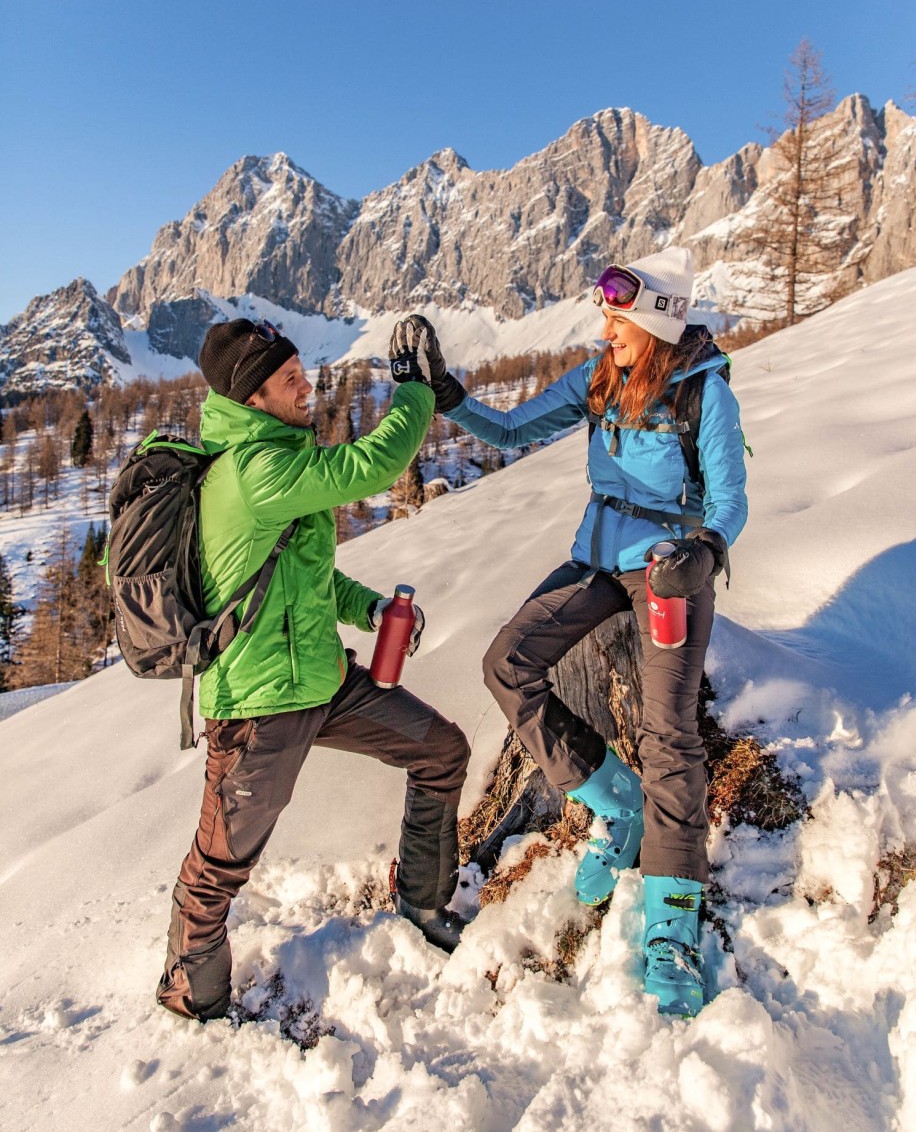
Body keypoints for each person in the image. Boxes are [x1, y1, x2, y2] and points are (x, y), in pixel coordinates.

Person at [389, 247, 747, 1017]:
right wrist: (447, 393)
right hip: (594, 560)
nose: (605, 328)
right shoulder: (599, 376)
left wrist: (706, 550)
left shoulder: (702, 392)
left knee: (670, 735)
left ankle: (673, 930)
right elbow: (513, 430)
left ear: (652, 322)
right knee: (507, 663)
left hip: (666, 569)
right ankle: (618, 806)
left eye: (617, 318)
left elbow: (730, 497)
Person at [157, 318, 471, 1023]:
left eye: (304, 372)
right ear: (254, 398)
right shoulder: (253, 469)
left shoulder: (275, 457)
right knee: (220, 864)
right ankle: (190, 994)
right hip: (260, 705)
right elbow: (373, 467)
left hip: (322, 681)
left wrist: (368, 610)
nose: (309, 387)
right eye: (290, 380)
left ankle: (422, 901)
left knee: (441, 751)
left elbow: (303, 578)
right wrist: (416, 390)